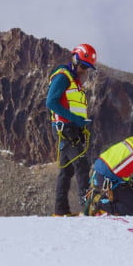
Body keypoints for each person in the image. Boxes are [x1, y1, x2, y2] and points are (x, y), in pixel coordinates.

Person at [46, 44, 97, 216]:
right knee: (82, 165)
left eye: (88, 68)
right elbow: (51, 102)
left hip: (71, 129)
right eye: (83, 66)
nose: (85, 71)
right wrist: (75, 120)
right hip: (65, 129)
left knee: (66, 170)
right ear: (74, 60)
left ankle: (60, 210)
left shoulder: (74, 80)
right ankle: (90, 208)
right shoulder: (63, 77)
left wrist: (80, 123)